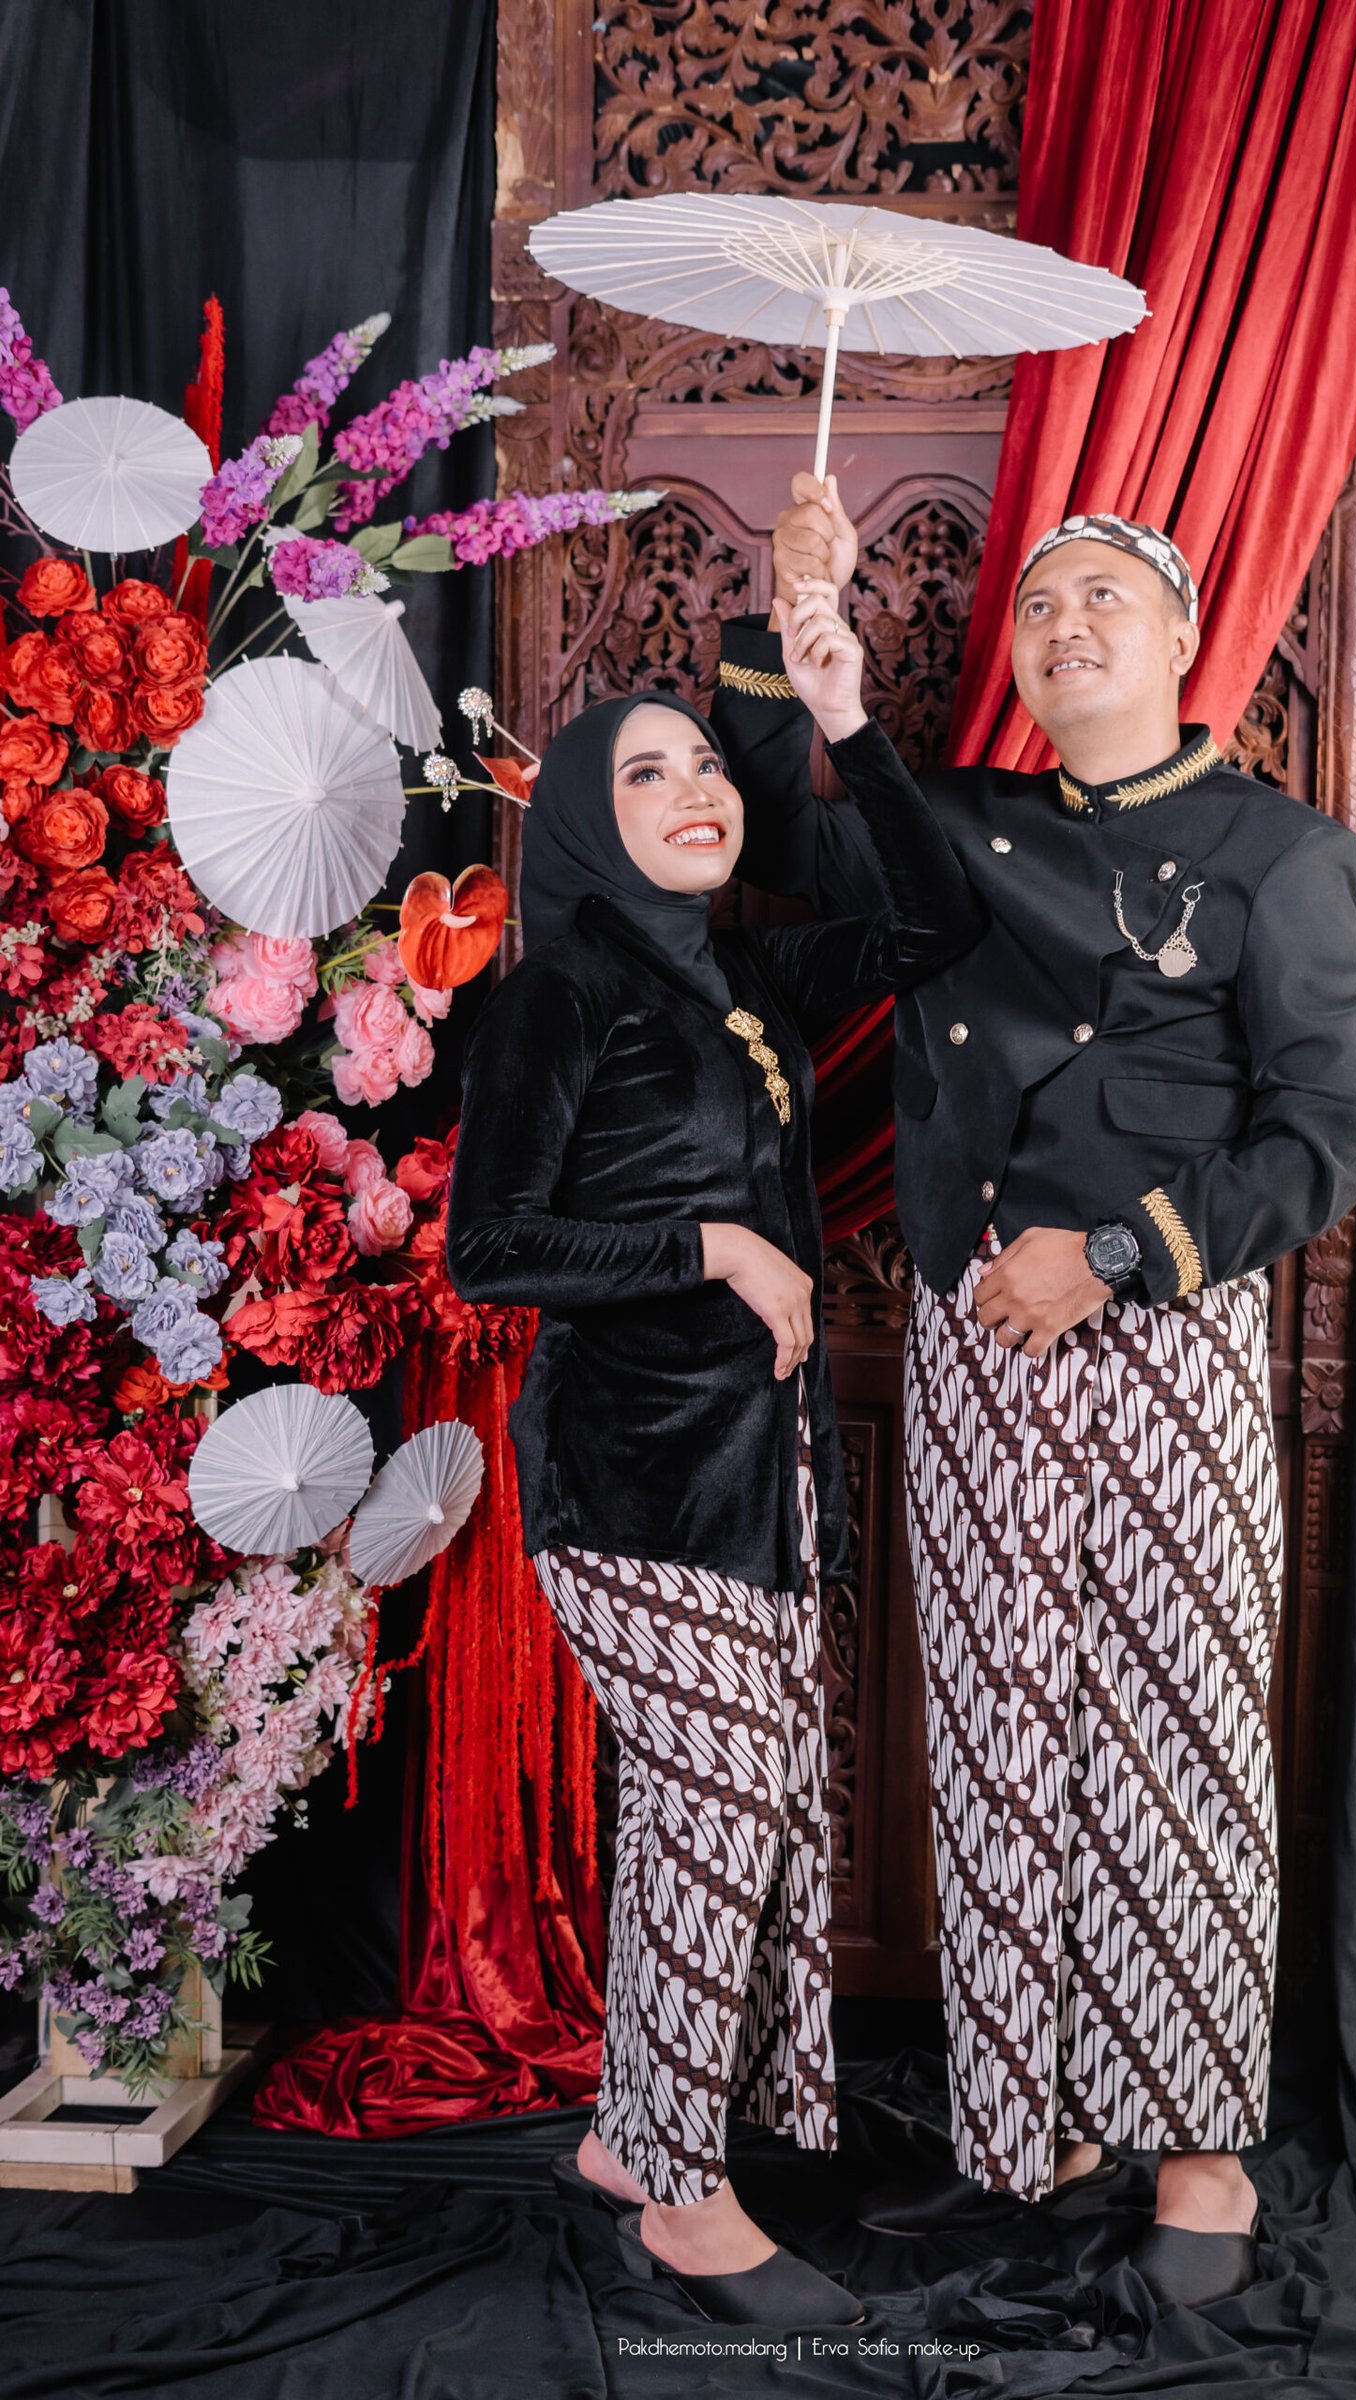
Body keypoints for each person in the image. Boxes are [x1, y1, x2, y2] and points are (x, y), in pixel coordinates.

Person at [706, 479, 1356, 2308]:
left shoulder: (1280, 853)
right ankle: (1030, 2130)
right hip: (970, 1341)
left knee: (1175, 1741)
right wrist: (792, 622)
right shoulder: (961, 827)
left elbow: (1326, 1136)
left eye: (1103, 599)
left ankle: (1201, 2158)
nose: (1064, 626)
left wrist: (1117, 1255)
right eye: (1038, 607)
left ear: (1183, 639)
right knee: (998, 1738)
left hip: (1164, 1336)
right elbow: (780, 832)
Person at [446, 585, 981, 2328]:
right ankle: (683, 2198)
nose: (695, 791)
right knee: (718, 1811)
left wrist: (842, 723)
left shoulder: (745, 970)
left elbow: (937, 918)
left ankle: (638, 2139)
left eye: (706, 766)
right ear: (585, 820)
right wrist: (714, 1248)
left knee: (739, 1820)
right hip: (628, 1479)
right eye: (647, 771)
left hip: (763, 1474)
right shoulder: (558, 993)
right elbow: (487, 1250)